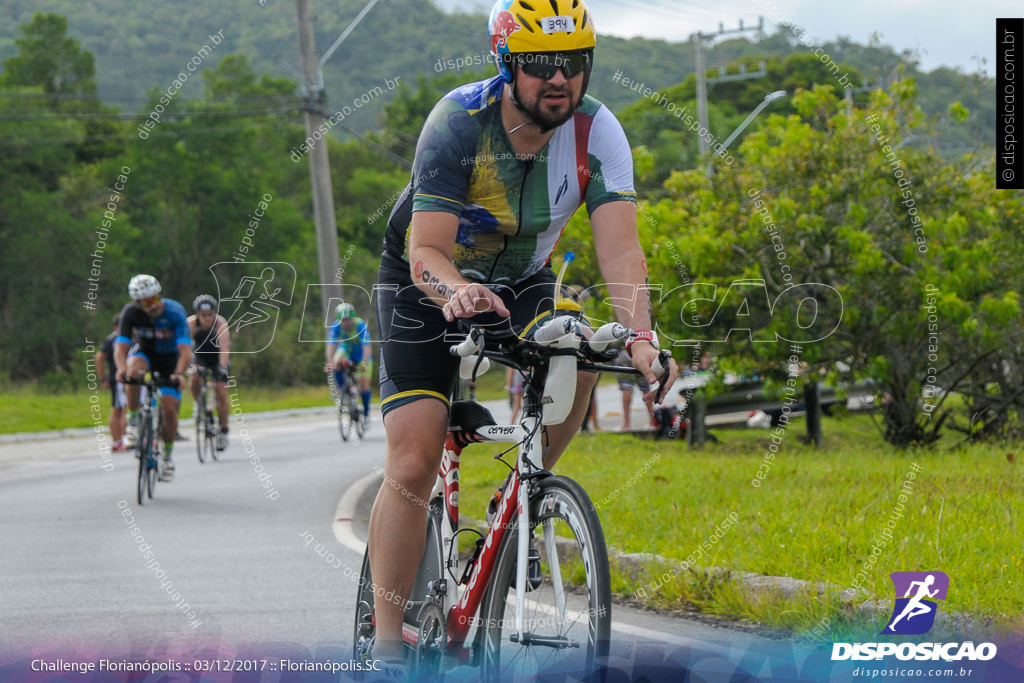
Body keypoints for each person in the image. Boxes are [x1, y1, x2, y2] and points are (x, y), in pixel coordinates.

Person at [368, 0, 678, 664]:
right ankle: (388, 647)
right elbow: (426, 252)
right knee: (416, 455)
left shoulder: (600, 133)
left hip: (523, 280)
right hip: (424, 281)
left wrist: (642, 339)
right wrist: (456, 292)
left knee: (583, 352)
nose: (560, 79)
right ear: (506, 66)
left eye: (574, 64)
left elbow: (620, 254)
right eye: (540, 66)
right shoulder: (458, 123)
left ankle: (526, 494)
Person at [114, 274, 191, 481]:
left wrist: (178, 374)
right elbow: (120, 347)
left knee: (168, 407)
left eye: (156, 298)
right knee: (132, 373)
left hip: (170, 360)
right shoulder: (130, 313)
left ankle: (167, 456)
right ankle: (133, 421)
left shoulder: (175, 312)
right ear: (138, 303)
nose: (154, 305)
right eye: (148, 302)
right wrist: (121, 370)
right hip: (145, 352)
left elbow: (185, 351)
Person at [187, 294, 231, 451]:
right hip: (200, 357)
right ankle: (199, 404)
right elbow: (185, 347)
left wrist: (222, 367)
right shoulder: (191, 323)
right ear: (198, 314)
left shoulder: (220, 323)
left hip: (218, 358)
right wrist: (187, 364)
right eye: (203, 315)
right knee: (194, 378)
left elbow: (224, 348)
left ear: (215, 313)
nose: (207, 318)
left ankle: (224, 430)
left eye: (210, 314)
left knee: (221, 391)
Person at [325, 302, 373, 423]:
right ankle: (345, 391)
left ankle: (366, 414)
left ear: (352, 318)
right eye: (342, 320)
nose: (345, 323)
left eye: (348, 319)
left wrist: (364, 363)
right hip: (347, 349)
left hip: (361, 353)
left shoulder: (360, 324)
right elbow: (331, 346)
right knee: (335, 362)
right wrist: (329, 363)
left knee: (363, 385)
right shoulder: (336, 326)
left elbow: (367, 347)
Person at [96, 314, 127, 451]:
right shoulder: (115, 339)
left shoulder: (113, 339)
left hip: (117, 378)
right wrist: (103, 378)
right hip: (121, 378)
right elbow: (99, 358)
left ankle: (118, 441)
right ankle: (122, 440)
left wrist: (104, 378)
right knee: (124, 409)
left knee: (117, 408)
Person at [616, 348, 655, 431]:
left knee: (626, 387)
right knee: (645, 389)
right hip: (640, 352)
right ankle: (652, 422)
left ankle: (626, 424)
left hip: (624, 351)